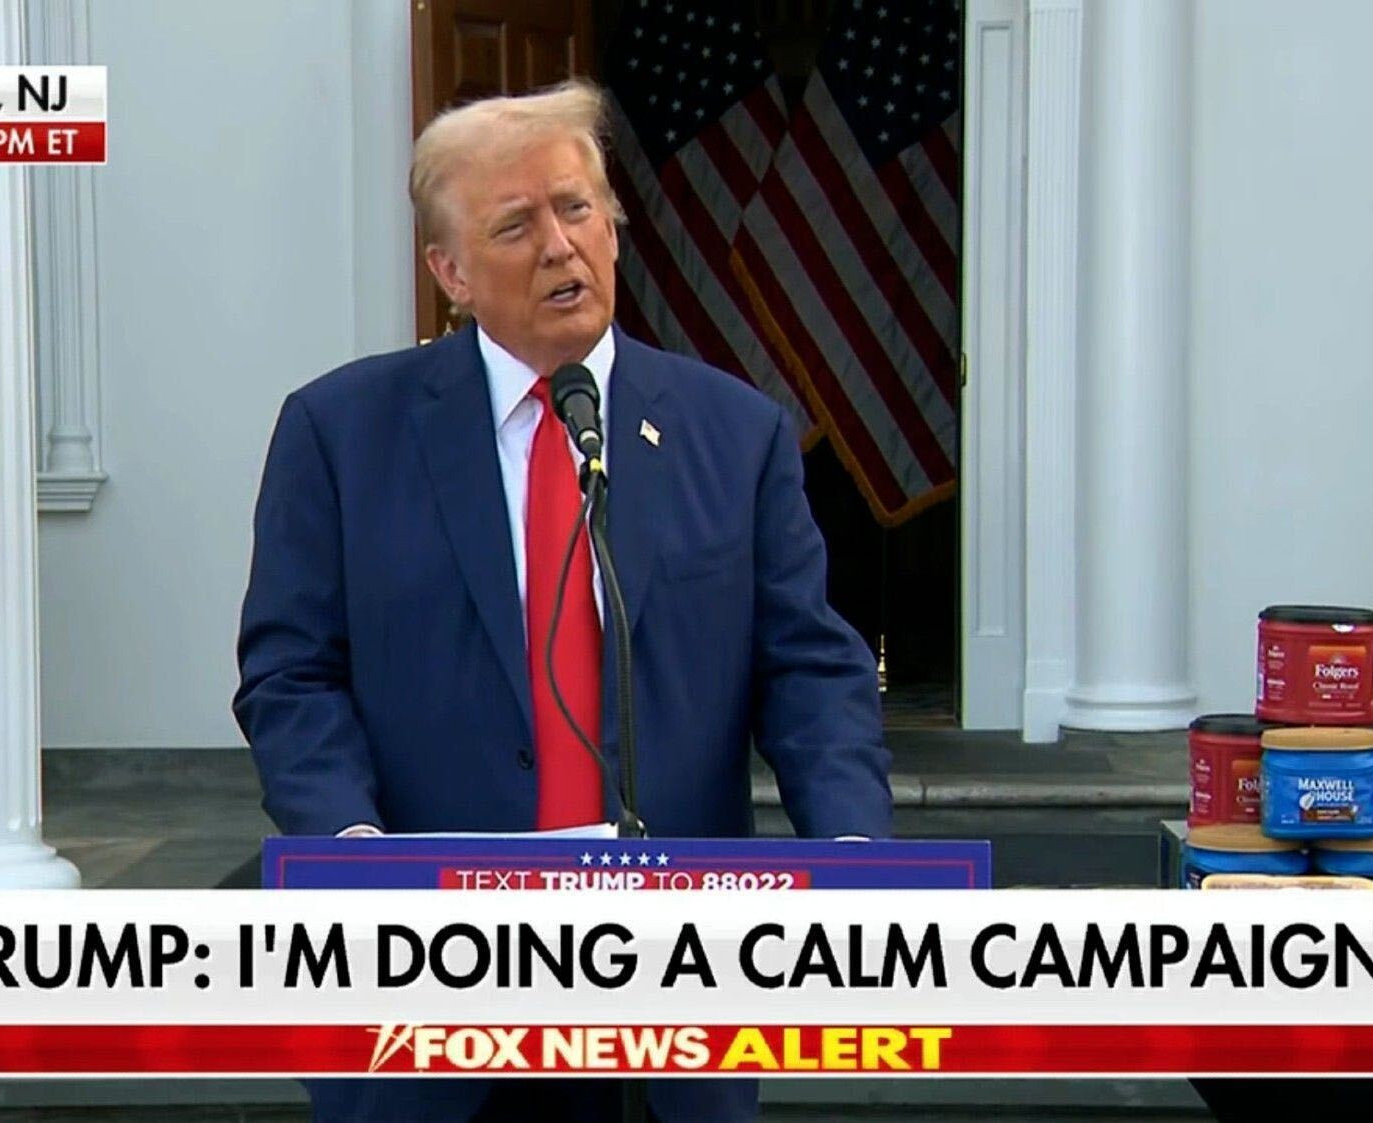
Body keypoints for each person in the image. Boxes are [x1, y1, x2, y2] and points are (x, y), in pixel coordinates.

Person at [233, 79, 891, 1123]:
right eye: (514, 224)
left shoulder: (736, 434)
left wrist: (853, 855)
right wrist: (349, 852)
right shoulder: (339, 433)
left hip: (669, 997)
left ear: (615, 228)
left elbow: (808, 669)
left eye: (577, 208)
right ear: (447, 272)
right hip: (427, 983)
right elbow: (290, 677)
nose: (558, 245)